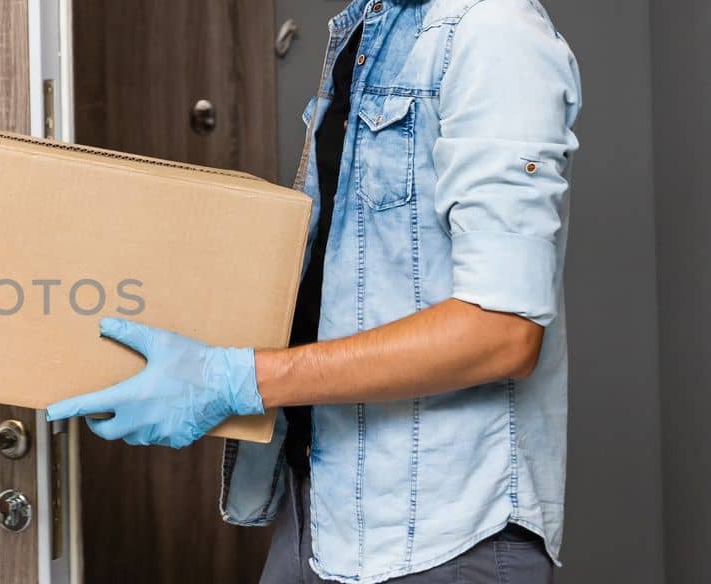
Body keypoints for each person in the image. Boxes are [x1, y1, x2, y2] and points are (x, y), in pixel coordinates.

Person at [46, 0, 580, 582]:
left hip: (441, 537)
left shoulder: (493, 32)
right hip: (319, 509)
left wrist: (236, 379)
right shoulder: (367, 29)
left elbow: (501, 333)